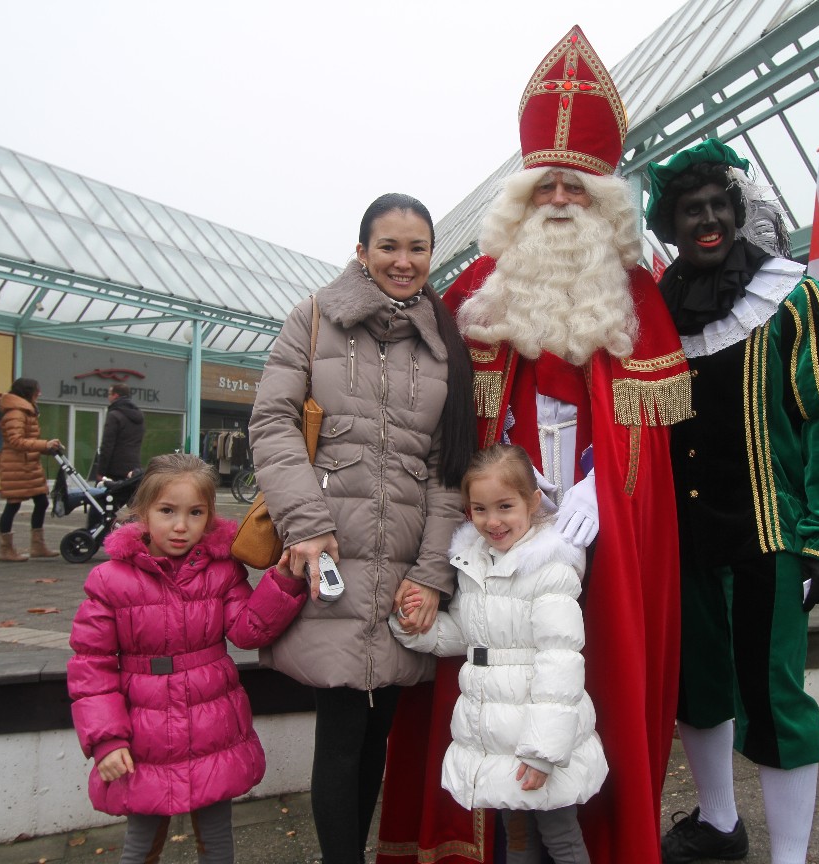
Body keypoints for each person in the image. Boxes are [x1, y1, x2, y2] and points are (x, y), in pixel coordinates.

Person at [378, 26, 690, 864]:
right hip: (495, 523)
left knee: (585, 676)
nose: (558, 198)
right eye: (544, 184)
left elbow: (644, 436)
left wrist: (600, 489)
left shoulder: (637, 293)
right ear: (521, 197)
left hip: (598, 522)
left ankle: (585, 840)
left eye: (575, 185)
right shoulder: (481, 288)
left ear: (603, 199)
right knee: (495, 678)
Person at [646, 138, 819, 864]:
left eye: (719, 205)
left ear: (737, 213)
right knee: (697, 688)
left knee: (773, 700)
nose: (707, 219)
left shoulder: (794, 298)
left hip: (769, 537)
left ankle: (789, 857)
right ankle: (718, 825)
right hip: (685, 541)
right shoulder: (657, 313)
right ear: (671, 225)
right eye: (691, 209)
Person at [248, 192, 476, 864]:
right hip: (331, 553)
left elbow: (447, 468)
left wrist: (432, 573)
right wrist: (304, 522)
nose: (403, 261)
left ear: (432, 255)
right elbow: (272, 422)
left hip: (404, 564)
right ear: (361, 251)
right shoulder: (314, 317)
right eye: (388, 247)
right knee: (344, 728)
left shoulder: (444, 341)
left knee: (379, 732)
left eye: (417, 248)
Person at [66, 453, 308, 864]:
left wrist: (282, 583)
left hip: (211, 722)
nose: (181, 526)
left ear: (210, 516)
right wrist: (106, 739)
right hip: (142, 731)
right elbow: (92, 666)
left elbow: (248, 630)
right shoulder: (110, 580)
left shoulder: (221, 569)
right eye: (167, 511)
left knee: (216, 837)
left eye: (195, 512)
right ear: (142, 512)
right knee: (141, 839)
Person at [392, 444, 605, 864]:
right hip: (494, 733)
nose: (493, 521)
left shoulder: (551, 570)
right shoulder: (474, 563)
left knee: (561, 836)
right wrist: (414, 624)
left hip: (539, 738)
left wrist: (542, 751)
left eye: (505, 507)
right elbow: (468, 636)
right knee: (517, 836)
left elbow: (560, 663)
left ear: (532, 502)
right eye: (480, 509)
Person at [0, 377, 61, 561]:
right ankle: (6, 549)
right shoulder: (16, 413)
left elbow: (26, 440)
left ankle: (37, 546)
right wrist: (44, 445)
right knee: (13, 504)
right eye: (36, 390)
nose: (39, 394)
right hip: (16, 465)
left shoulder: (26, 411)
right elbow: (16, 441)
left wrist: (46, 447)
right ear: (28, 392)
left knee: (41, 502)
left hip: (28, 464)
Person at [95, 383, 145, 481]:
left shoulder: (114, 415)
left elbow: (107, 445)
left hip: (114, 469)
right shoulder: (139, 416)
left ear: (115, 395)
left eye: (109, 394)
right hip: (134, 467)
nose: (108, 397)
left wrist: (101, 472)